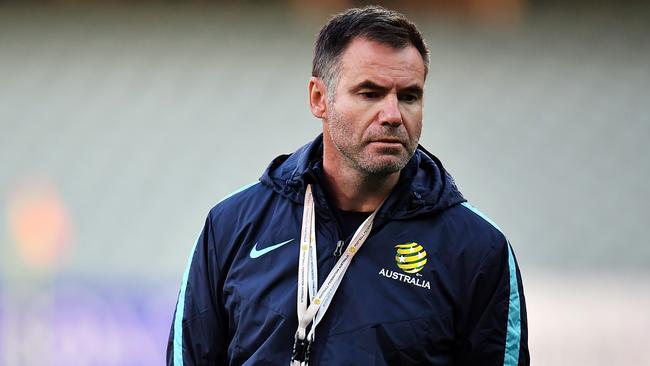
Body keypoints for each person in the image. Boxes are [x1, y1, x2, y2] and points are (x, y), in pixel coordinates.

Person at [167, 5, 529, 366]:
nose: (392, 116)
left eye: (409, 96)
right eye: (369, 94)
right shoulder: (232, 225)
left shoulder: (477, 248)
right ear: (319, 99)